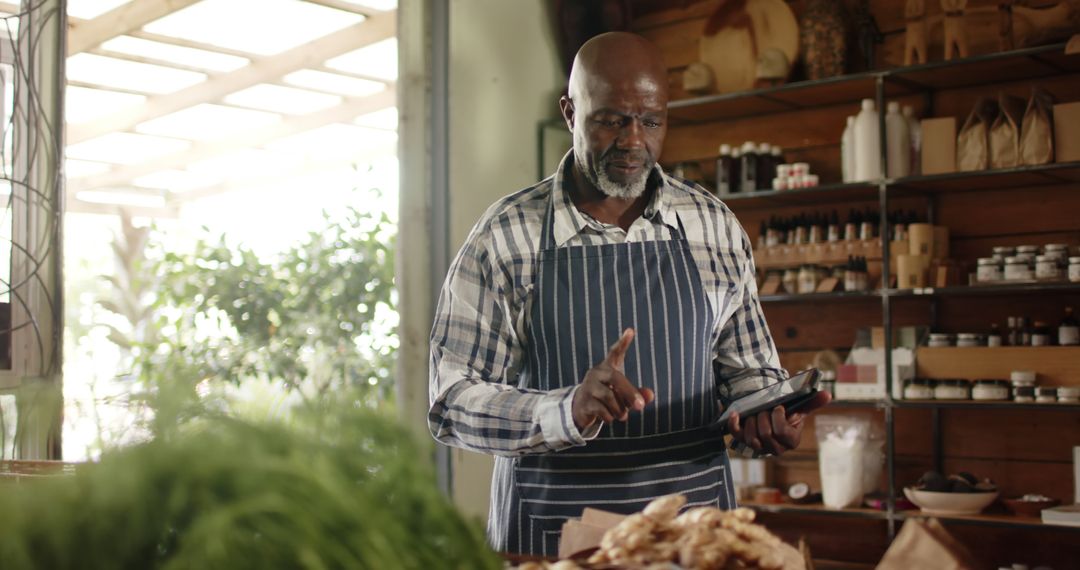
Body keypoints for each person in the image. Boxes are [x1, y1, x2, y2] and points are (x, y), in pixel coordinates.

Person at [428, 31, 830, 556]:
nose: (633, 140)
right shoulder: (505, 236)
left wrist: (767, 410)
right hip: (552, 537)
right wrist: (566, 409)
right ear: (571, 112)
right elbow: (451, 400)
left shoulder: (712, 226)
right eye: (612, 119)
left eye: (651, 120)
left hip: (693, 539)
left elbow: (749, 372)